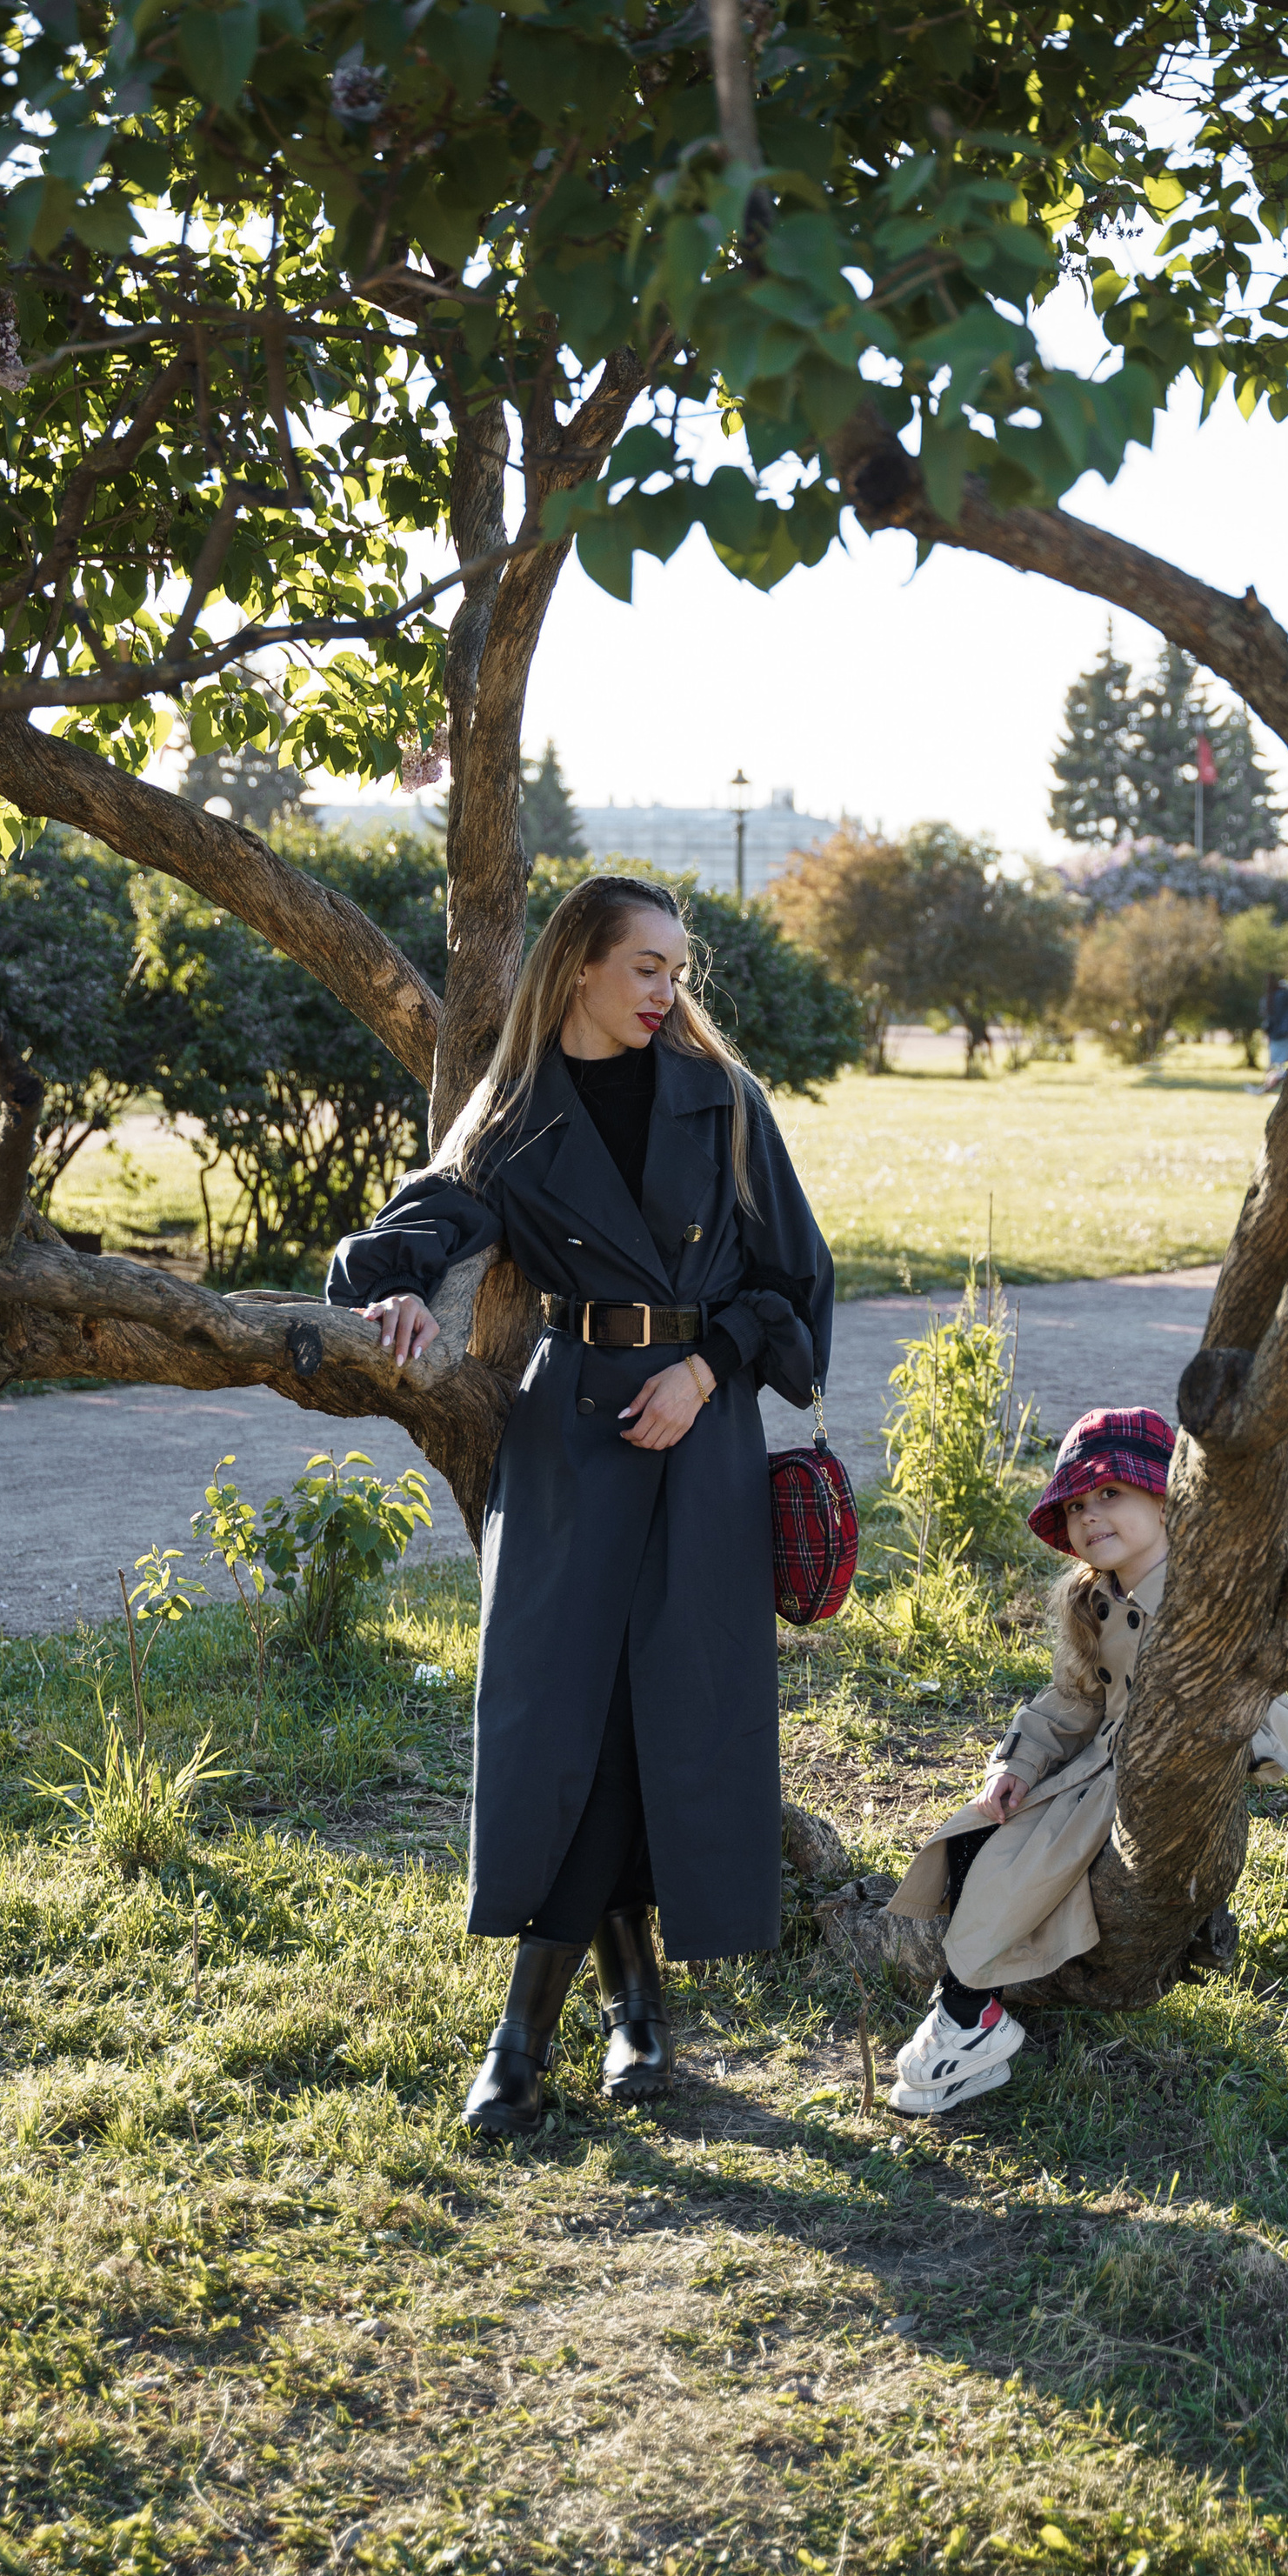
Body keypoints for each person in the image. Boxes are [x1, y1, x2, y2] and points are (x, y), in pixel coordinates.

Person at [325, 873, 834, 2141]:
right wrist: (397, 1297)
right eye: (648, 968)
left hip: (699, 1427)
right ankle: (580, 2021)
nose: (670, 992)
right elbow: (405, 1237)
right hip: (573, 1435)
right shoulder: (512, 1118)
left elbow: (799, 1283)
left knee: (671, 1712)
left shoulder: (726, 1100)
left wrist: (708, 1366)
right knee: (567, 1717)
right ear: (581, 970)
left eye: (676, 970)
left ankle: (598, 2021)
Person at [884, 1407, 1288, 2116]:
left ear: (1166, 1498)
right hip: (1091, 1774)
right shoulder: (1095, 1599)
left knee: (1024, 1877)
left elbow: (1252, 1691)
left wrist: (1251, 1747)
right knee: (975, 1837)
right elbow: (1072, 1700)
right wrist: (1016, 1761)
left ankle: (963, 2019)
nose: (1090, 1515)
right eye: (1077, 1504)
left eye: (1111, 1493)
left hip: (1150, 1784)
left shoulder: (1208, 1597)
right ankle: (970, 2015)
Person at [1260, 971, 1288, 1090]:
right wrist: (1286, 985)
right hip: (1282, 1033)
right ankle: (1271, 1084)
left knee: (1275, 1062)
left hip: (1274, 1033)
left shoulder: (1268, 997)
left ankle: (1269, 1085)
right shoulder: (1281, 995)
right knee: (1281, 1063)